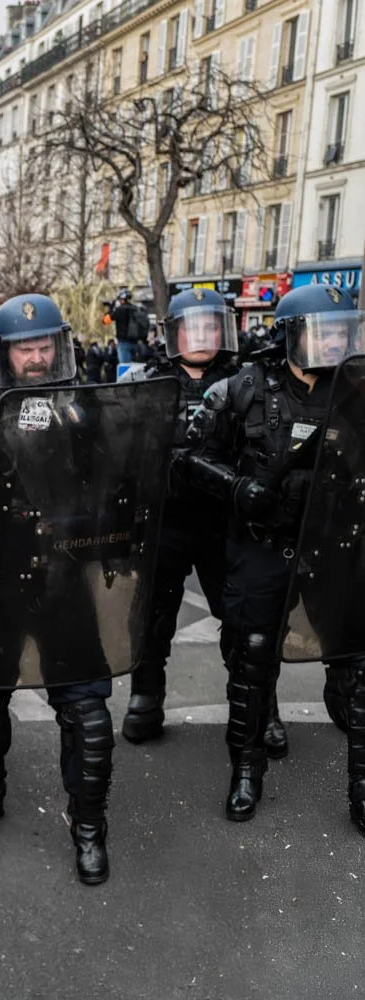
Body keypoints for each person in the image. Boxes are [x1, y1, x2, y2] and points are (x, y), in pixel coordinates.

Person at [0, 293, 120, 886]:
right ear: (4, 353)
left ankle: (90, 826)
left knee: (87, 709)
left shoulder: (84, 407)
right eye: (26, 347)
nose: (39, 355)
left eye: (46, 344)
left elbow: (114, 486)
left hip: (60, 577)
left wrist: (95, 532)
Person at [185, 283, 365, 829]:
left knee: (357, 662)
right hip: (263, 545)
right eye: (321, 332)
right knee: (252, 662)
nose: (333, 344)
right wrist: (238, 489)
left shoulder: (357, 392)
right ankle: (246, 771)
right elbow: (188, 460)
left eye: (341, 332)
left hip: (336, 547)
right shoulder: (240, 390)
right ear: (290, 335)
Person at [117, 288, 244, 745]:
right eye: (193, 326)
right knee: (152, 618)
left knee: (241, 618)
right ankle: (146, 700)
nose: (203, 335)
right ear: (174, 332)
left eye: (212, 326)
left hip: (224, 522)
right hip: (163, 521)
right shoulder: (146, 382)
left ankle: (254, 707)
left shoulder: (246, 381)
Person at [109, 289, 149, 365]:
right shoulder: (136, 309)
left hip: (123, 343)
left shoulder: (119, 310)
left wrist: (111, 308)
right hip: (136, 343)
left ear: (121, 299)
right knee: (134, 368)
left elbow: (105, 320)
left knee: (125, 367)